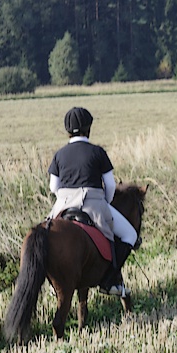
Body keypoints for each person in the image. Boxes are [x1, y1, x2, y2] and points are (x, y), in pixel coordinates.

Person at [47, 107, 138, 297]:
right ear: (88, 128)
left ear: (66, 130)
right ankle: (110, 280)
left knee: (45, 234)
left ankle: (50, 282)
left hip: (63, 202)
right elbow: (111, 186)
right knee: (130, 235)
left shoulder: (59, 154)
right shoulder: (97, 152)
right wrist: (104, 202)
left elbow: (52, 187)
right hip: (93, 201)